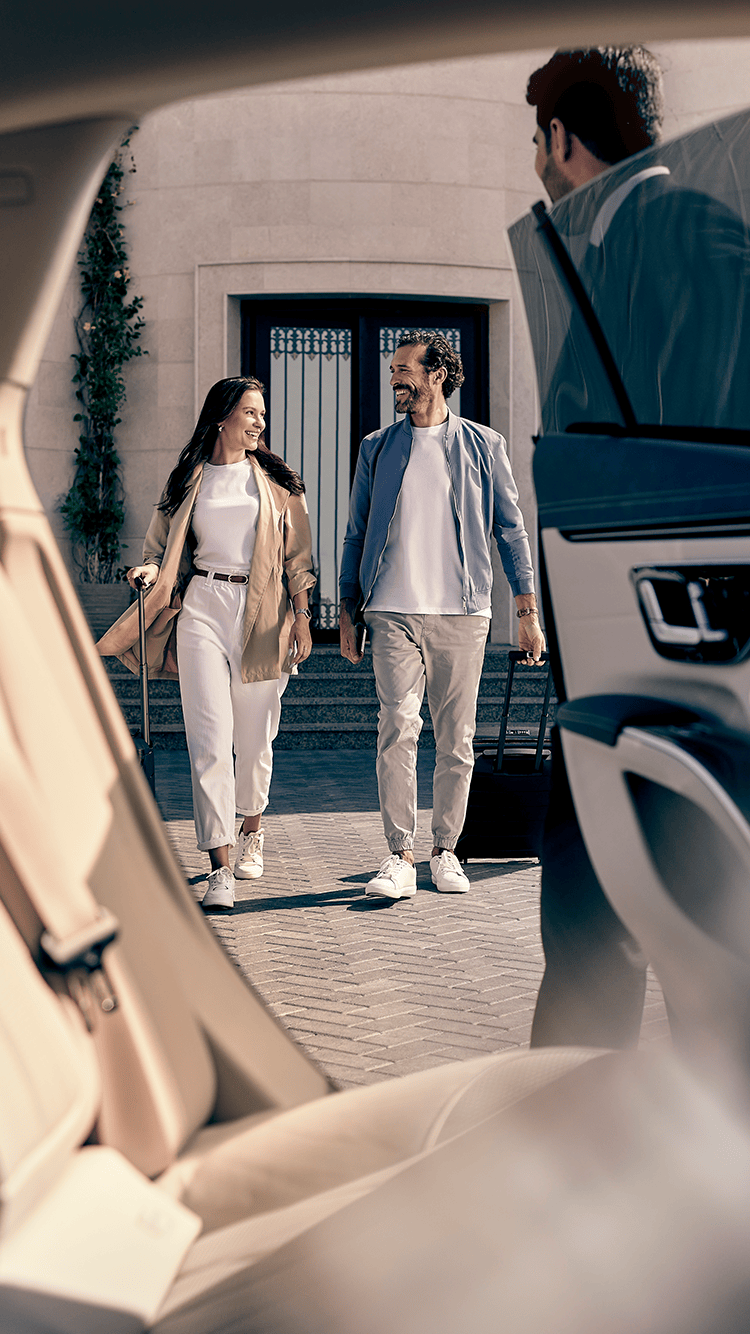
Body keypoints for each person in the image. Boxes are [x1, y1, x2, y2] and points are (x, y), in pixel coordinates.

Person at [339, 330, 544, 901]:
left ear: (437, 375)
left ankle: (446, 849)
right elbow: (356, 533)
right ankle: (399, 854)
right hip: (392, 612)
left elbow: (511, 530)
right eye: (392, 371)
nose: (394, 379)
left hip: (462, 612)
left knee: (456, 740)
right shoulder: (377, 447)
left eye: (404, 369)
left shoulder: (484, 445)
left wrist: (527, 611)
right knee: (397, 729)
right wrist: (349, 609)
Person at [98, 376, 315, 912]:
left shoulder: (277, 482)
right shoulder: (188, 478)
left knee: (255, 738)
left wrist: (303, 616)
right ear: (222, 417)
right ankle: (219, 866)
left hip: (264, 613)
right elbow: (158, 545)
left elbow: (298, 558)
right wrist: (148, 569)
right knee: (209, 740)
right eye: (250, 412)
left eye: (263, 413)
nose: (260, 422)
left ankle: (251, 828)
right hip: (201, 607)